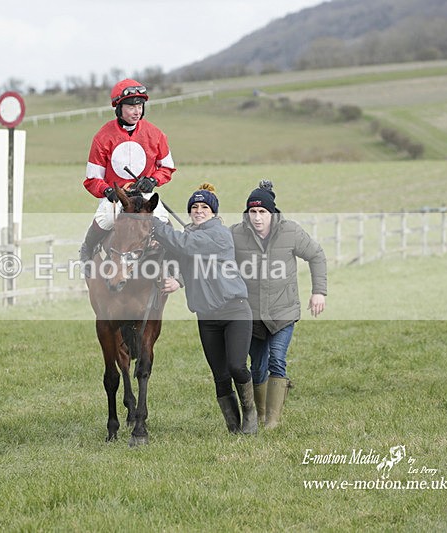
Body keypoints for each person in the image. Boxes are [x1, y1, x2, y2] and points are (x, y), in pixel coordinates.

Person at [155, 184, 257, 434]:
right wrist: (178, 280)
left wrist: (157, 226)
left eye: (204, 207)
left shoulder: (219, 235)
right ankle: (234, 428)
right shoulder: (190, 236)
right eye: (194, 207)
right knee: (220, 375)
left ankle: (250, 415)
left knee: (237, 367)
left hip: (234, 310)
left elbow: (188, 245)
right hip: (207, 317)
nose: (199, 211)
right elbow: (184, 259)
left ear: (213, 213)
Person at [230, 180, 327, 429]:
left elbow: (316, 255)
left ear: (273, 213)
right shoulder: (235, 235)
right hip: (250, 315)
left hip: (283, 311)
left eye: (263, 212)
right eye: (253, 212)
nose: (258, 217)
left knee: (277, 361)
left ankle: (272, 421)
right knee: (257, 367)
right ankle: (260, 415)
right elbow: (214, 255)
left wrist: (319, 292)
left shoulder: (291, 232)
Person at [78, 78, 176, 267]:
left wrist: (153, 180)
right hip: (118, 196)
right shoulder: (102, 137)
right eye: (131, 106)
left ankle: (173, 268)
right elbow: (92, 179)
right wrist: (107, 191)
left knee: (164, 221)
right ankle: (87, 250)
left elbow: (167, 167)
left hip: (145, 194)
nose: (137, 111)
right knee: (104, 219)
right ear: (119, 108)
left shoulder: (156, 134)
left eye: (140, 106)